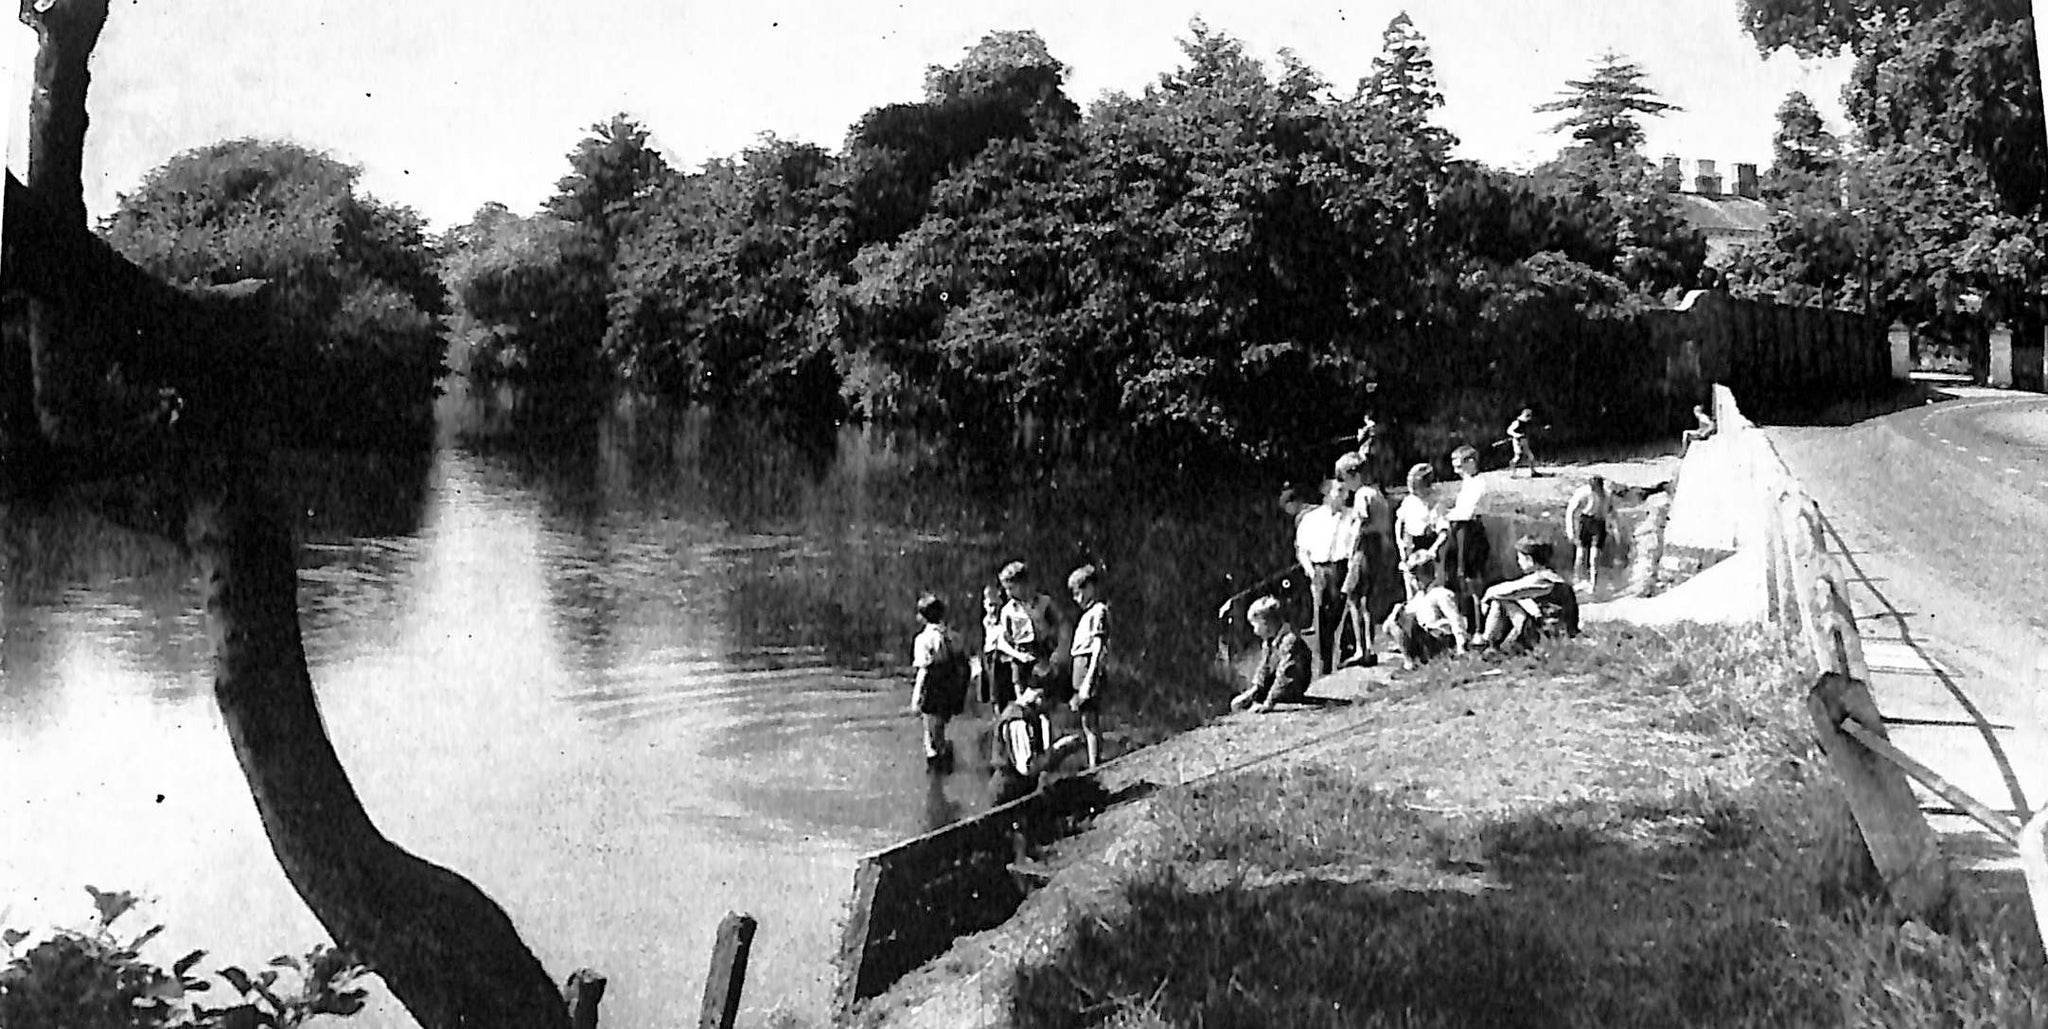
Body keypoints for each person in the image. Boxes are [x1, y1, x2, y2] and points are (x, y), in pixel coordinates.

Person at [989, 680, 1086, 807]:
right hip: (1008, 796)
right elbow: (1026, 767)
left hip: (1021, 791)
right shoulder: (1018, 721)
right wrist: (1060, 750)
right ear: (1039, 697)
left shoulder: (1032, 715)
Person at [1477, 536, 1581, 654]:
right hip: (1560, 631)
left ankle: (1487, 641)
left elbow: (1507, 590)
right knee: (1519, 600)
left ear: (1529, 560)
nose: (1518, 562)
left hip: (1548, 634)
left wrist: (1485, 598)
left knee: (1501, 601)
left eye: (1520, 558)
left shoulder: (1540, 579)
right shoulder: (1553, 577)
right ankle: (1493, 642)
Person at [1294, 478, 1353, 677]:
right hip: (1321, 569)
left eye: (1345, 491)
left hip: (1343, 567)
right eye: (1339, 491)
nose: (1344, 495)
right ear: (1327, 494)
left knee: (1345, 612)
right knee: (1322, 617)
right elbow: (1302, 550)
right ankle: (1324, 665)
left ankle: (1348, 657)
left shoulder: (1352, 516)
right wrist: (1312, 573)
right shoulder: (1312, 519)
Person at [1334, 452, 1389, 667]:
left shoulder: (1363, 494)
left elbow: (1361, 523)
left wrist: (1351, 551)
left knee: (1354, 597)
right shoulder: (1376, 492)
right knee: (1366, 600)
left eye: (1344, 478)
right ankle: (1368, 647)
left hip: (1365, 547)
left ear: (1353, 475)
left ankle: (1361, 648)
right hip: (1378, 547)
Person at [910, 593, 970, 769]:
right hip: (951, 686)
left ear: (922, 617)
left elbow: (924, 670)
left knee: (929, 733)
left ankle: (937, 766)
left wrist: (916, 698)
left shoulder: (923, 640)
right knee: (941, 725)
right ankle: (945, 757)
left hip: (933, 687)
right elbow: (964, 665)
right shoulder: (954, 637)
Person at [1382, 556, 1470, 669]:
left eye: (1418, 576)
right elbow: (1388, 627)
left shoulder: (1440, 593)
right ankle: (1411, 660)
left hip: (1439, 638)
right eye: (1414, 577)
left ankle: (1413, 662)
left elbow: (1455, 619)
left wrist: (1461, 645)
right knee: (1399, 612)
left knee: (1406, 619)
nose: (1415, 581)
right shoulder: (1419, 597)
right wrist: (1396, 613)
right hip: (1423, 639)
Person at [1231, 596, 1312, 713]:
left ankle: (1274, 698)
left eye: (1255, 625)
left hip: (1292, 687)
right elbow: (1264, 669)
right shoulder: (1269, 642)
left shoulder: (1289, 641)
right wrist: (1253, 691)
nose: (1254, 630)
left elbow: (1285, 676)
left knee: (1285, 678)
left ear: (1266, 623)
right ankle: (1258, 696)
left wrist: (1269, 703)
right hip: (1276, 688)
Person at [1441, 445, 1492, 628]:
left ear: (1471, 463)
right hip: (1460, 529)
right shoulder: (1468, 481)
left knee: (1471, 577)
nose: (1456, 471)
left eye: (1459, 466)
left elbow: (1469, 512)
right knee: (1458, 574)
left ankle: (1480, 624)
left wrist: (1447, 515)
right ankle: (1469, 621)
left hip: (1471, 530)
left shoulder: (1480, 483)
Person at [995, 561, 1061, 701]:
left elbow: (1058, 627)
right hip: (1020, 656)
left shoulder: (1044, 602)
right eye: (1006, 589)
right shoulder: (1007, 611)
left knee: (1042, 699)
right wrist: (1018, 655)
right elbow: (1002, 641)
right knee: (1022, 700)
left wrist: (1055, 651)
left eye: (1012, 588)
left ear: (1023, 584)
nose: (1009, 593)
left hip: (1041, 652)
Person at [1066, 564, 1111, 768]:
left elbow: (1097, 645)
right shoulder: (1086, 614)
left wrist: (1090, 677)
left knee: (1090, 718)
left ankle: (1095, 763)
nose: (1077, 599)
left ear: (1091, 587)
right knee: (1085, 719)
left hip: (1087, 665)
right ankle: (1093, 760)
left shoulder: (1099, 611)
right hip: (1079, 665)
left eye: (1079, 593)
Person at [1394, 462, 1444, 600]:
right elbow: (1400, 522)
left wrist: (1433, 550)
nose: (1414, 491)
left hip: (1427, 545)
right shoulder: (1409, 501)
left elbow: (1443, 531)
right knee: (1410, 585)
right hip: (1410, 544)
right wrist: (1401, 543)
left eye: (1417, 487)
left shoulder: (1435, 502)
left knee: (1430, 588)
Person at [1563, 474, 1613, 590]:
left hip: (1599, 522)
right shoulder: (1583, 492)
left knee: (1595, 555)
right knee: (1581, 552)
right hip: (1585, 521)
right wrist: (1570, 529)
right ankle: (1577, 579)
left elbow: (1610, 511)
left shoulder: (1607, 495)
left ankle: (1593, 583)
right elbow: (1571, 510)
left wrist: (1613, 527)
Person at [978, 582, 1008, 706]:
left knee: (1001, 691)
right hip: (990, 655)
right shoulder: (986, 620)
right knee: (992, 690)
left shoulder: (1005, 618)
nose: (993, 609)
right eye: (990, 605)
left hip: (1002, 655)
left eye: (996, 605)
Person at [1505, 408, 1539, 478]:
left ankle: (1533, 472)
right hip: (1517, 441)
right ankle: (1513, 473)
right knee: (1517, 457)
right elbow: (1509, 430)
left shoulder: (1527, 423)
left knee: (1530, 456)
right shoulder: (1517, 422)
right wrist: (1516, 435)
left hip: (1524, 441)